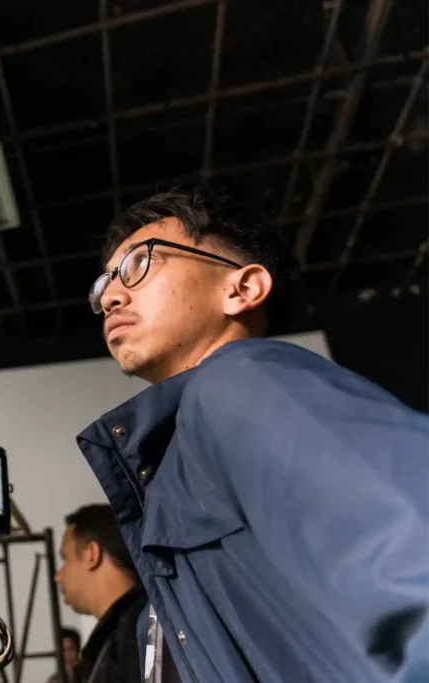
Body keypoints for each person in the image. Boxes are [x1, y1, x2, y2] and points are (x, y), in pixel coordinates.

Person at [76, 184, 429, 683]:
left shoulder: (241, 383)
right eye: (105, 284)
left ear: (241, 289)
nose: (110, 296)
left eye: (138, 264)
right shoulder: (181, 455)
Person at [53, 504, 150, 683]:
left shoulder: (140, 631)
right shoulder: (123, 632)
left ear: (91, 554)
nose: (58, 576)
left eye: (65, 558)